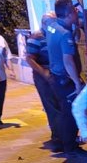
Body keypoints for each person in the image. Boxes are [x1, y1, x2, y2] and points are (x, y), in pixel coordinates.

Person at [47, 0, 87, 158]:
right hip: (65, 80)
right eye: (73, 10)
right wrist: (77, 82)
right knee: (71, 113)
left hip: (56, 77)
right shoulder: (65, 34)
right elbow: (68, 60)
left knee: (65, 112)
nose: (76, 12)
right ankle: (71, 147)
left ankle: (67, 143)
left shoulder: (52, 26)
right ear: (67, 13)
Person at [26, 12, 63, 152]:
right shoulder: (36, 37)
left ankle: (65, 136)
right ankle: (58, 139)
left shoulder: (55, 35)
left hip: (57, 75)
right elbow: (30, 59)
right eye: (53, 22)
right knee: (52, 107)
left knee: (61, 106)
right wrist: (45, 73)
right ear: (45, 23)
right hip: (44, 77)